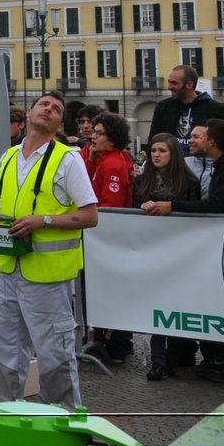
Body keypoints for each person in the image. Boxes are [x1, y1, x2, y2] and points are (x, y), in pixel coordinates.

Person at [0, 92, 99, 410]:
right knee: (7, 348)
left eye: (56, 109)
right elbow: (5, 210)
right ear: (29, 112)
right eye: (44, 104)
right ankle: (7, 411)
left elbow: (90, 215)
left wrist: (42, 221)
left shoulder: (68, 159)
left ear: (59, 123)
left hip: (47, 273)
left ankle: (63, 418)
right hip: (7, 267)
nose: (49, 109)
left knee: (54, 349)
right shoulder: (9, 157)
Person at [141, 119, 224, 384]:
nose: (192, 140)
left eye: (199, 136)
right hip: (222, 245)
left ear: (212, 141)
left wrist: (173, 206)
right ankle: (218, 359)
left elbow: (217, 205)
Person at [131, 133, 201, 380]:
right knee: (158, 308)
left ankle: (176, 357)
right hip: (152, 252)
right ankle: (159, 361)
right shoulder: (141, 183)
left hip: (182, 253)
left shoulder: (189, 183)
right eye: (154, 151)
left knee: (178, 307)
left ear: (173, 154)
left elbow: (196, 217)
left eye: (162, 151)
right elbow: (130, 212)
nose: (157, 155)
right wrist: (141, 207)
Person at [81, 112, 134, 364]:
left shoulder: (113, 164)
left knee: (110, 291)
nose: (93, 136)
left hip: (107, 238)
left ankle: (114, 344)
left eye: (99, 133)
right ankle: (107, 341)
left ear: (111, 139)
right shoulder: (106, 160)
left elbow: (109, 206)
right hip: (103, 238)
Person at [147, 66, 224, 144]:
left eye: (174, 83)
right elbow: (153, 140)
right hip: (172, 161)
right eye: (169, 82)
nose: (169, 87)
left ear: (189, 85)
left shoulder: (218, 110)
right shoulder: (163, 107)